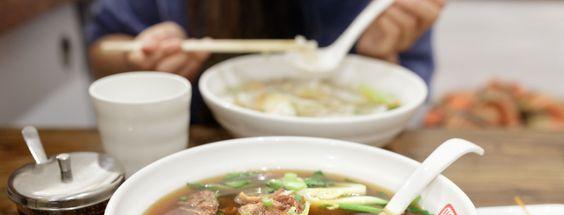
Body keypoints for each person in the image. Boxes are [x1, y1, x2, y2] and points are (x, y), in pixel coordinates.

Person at [86, 0, 443, 120]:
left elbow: (405, 96)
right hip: (201, 143)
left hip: (352, 152)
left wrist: (381, 52)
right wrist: (140, 54)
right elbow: (102, 49)